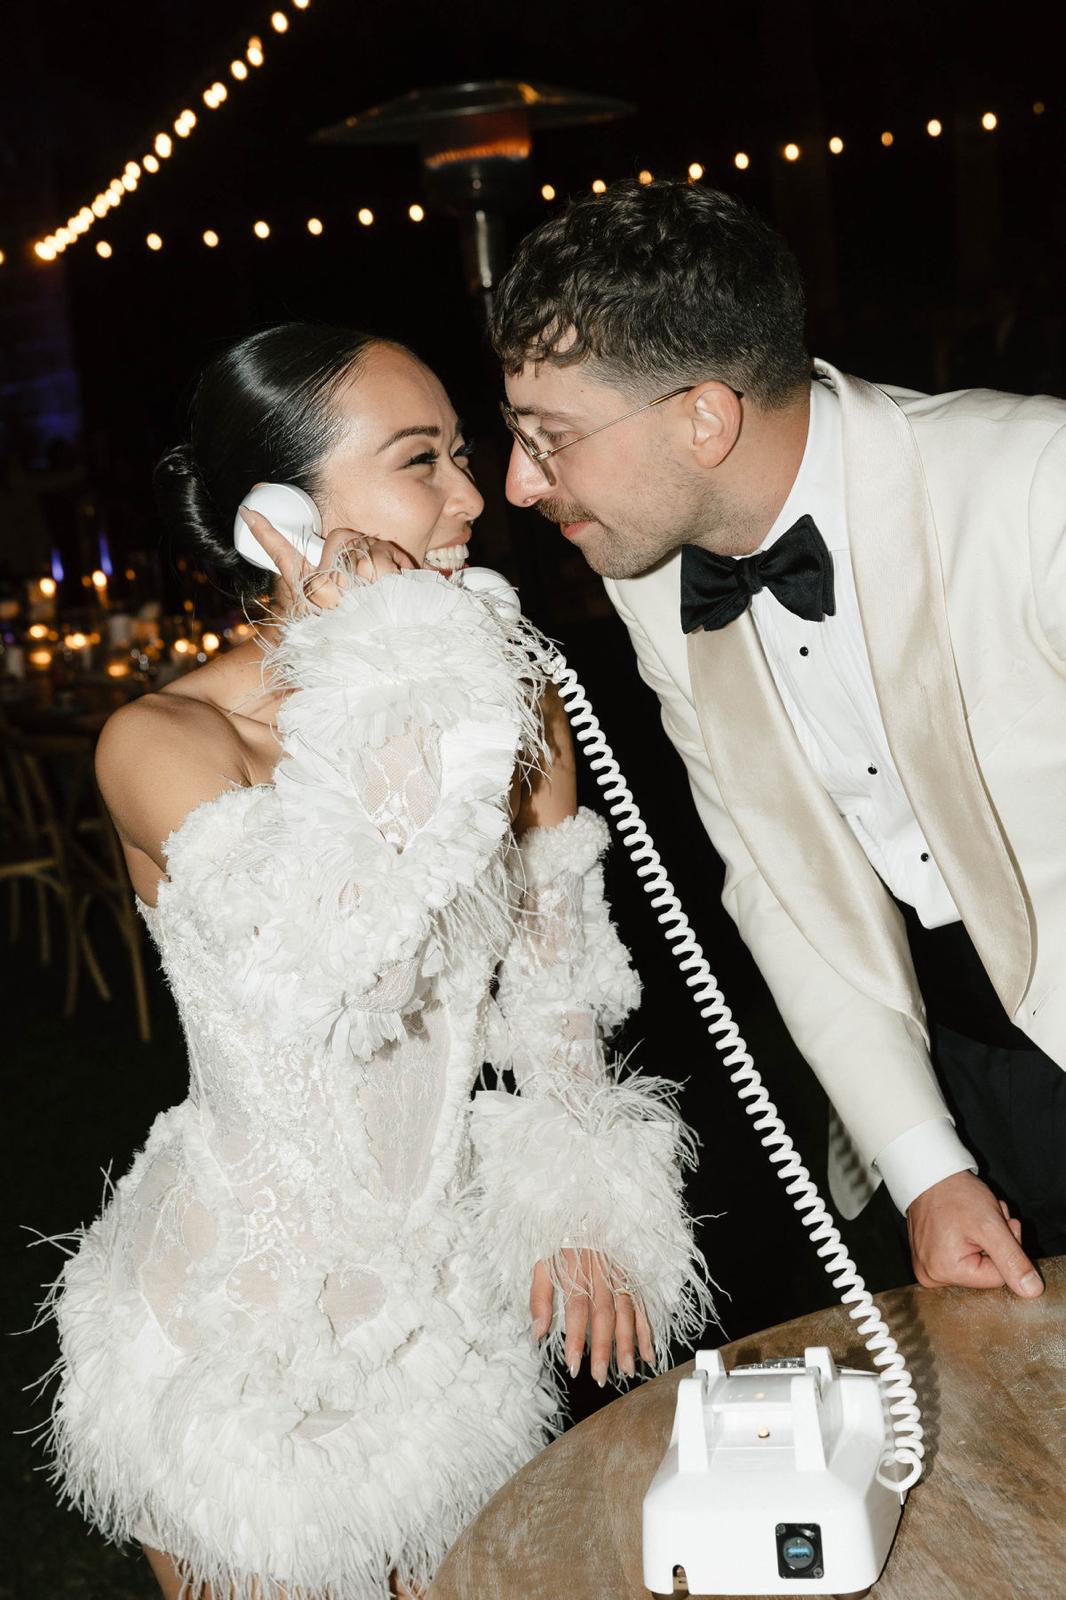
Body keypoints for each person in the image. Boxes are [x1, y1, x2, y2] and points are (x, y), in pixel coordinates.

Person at [41, 324, 710, 1600]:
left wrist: (578, 1200)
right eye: (421, 460)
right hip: (244, 1335)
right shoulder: (163, 740)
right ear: (276, 519)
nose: (473, 496)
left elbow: (555, 985)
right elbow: (351, 961)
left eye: (461, 451)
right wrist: (390, 666)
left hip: (451, 1316)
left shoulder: (504, 707)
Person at [490, 178, 1066, 1299]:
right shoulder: (652, 581)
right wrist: (926, 1168)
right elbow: (779, 879)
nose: (518, 482)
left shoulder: (1033, 486)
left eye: (548, 437)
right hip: (949, 1079)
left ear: (704, 418)